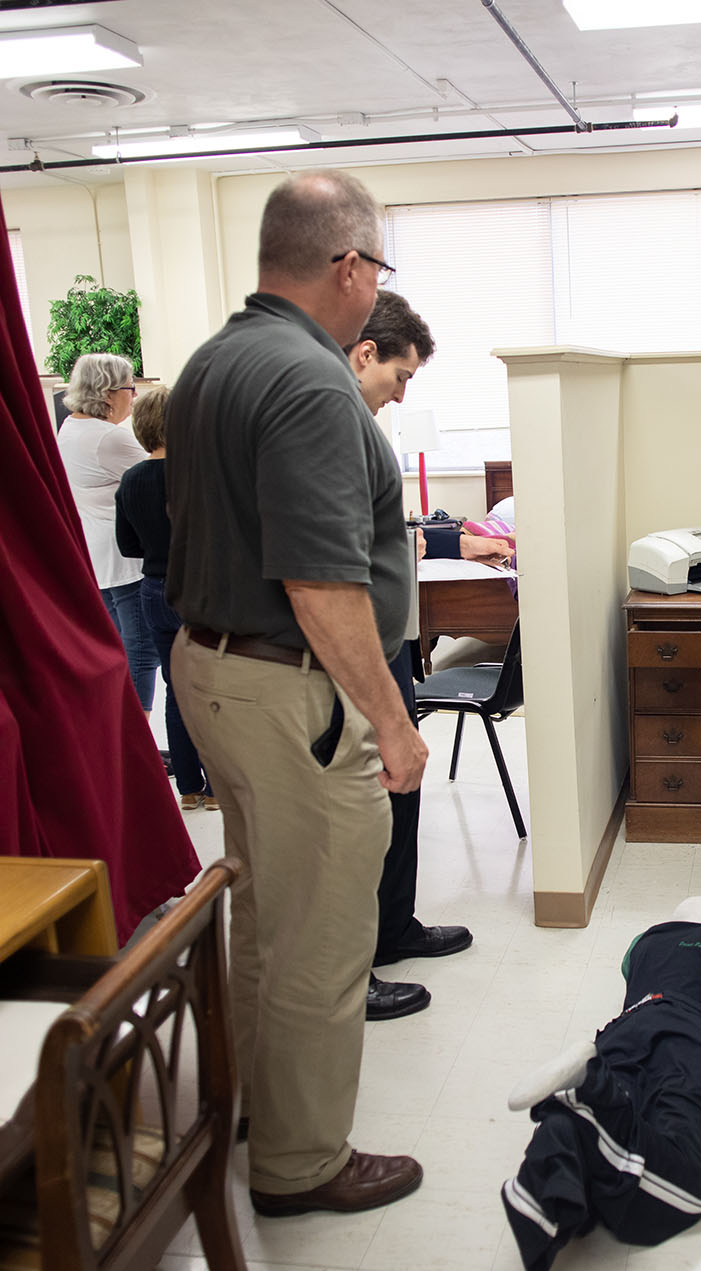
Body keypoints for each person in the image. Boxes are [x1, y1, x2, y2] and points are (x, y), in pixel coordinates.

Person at [165, 170, 429, 1216]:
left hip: (214, 674)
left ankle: (244, 1106)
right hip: (288, 687)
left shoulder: (215, 360)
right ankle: (300, 1159)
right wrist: (394, 724)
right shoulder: (314, 382)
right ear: (351, 268)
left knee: (265, 912)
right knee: (322, 933)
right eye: (379, 269)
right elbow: (321, 585)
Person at [342, 290, 513, 1020]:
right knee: (367, 809)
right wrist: (454, 540)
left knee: (400, 797)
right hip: (359, 657)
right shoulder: (332, 424)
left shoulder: (363, 425)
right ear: (365, 353)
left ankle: (394, 927)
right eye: (400, 375)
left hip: (388, 645)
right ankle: (360, 962)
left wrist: (450, 537)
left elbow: (394, 529)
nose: (403, 392)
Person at [501, 896, 701, 1271]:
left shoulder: (643, 942)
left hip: (628, 1024)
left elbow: (628, 975)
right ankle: (596, 1092)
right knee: (687, 1166)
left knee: (619, 1085)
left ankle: (561, 1140)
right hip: (694, 1034)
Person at [114, 386, 217, 812]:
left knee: (177, 690)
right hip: (200, 590)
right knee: (214, 690)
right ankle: (217, 789)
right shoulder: (199, 474)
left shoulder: (132, 480)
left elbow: (127, 545)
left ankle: (189, 787)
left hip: (154, 590)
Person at [56, 352, 158, 712]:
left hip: (97, 556)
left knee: (121, 649)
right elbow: (162, 474)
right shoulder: (107, 438)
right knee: (142, 654)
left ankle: (127, 738)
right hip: (123, 558)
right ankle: (137, 745)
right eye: (130, 389)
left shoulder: (69, 428)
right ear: (108, 392)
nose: (133, 397)